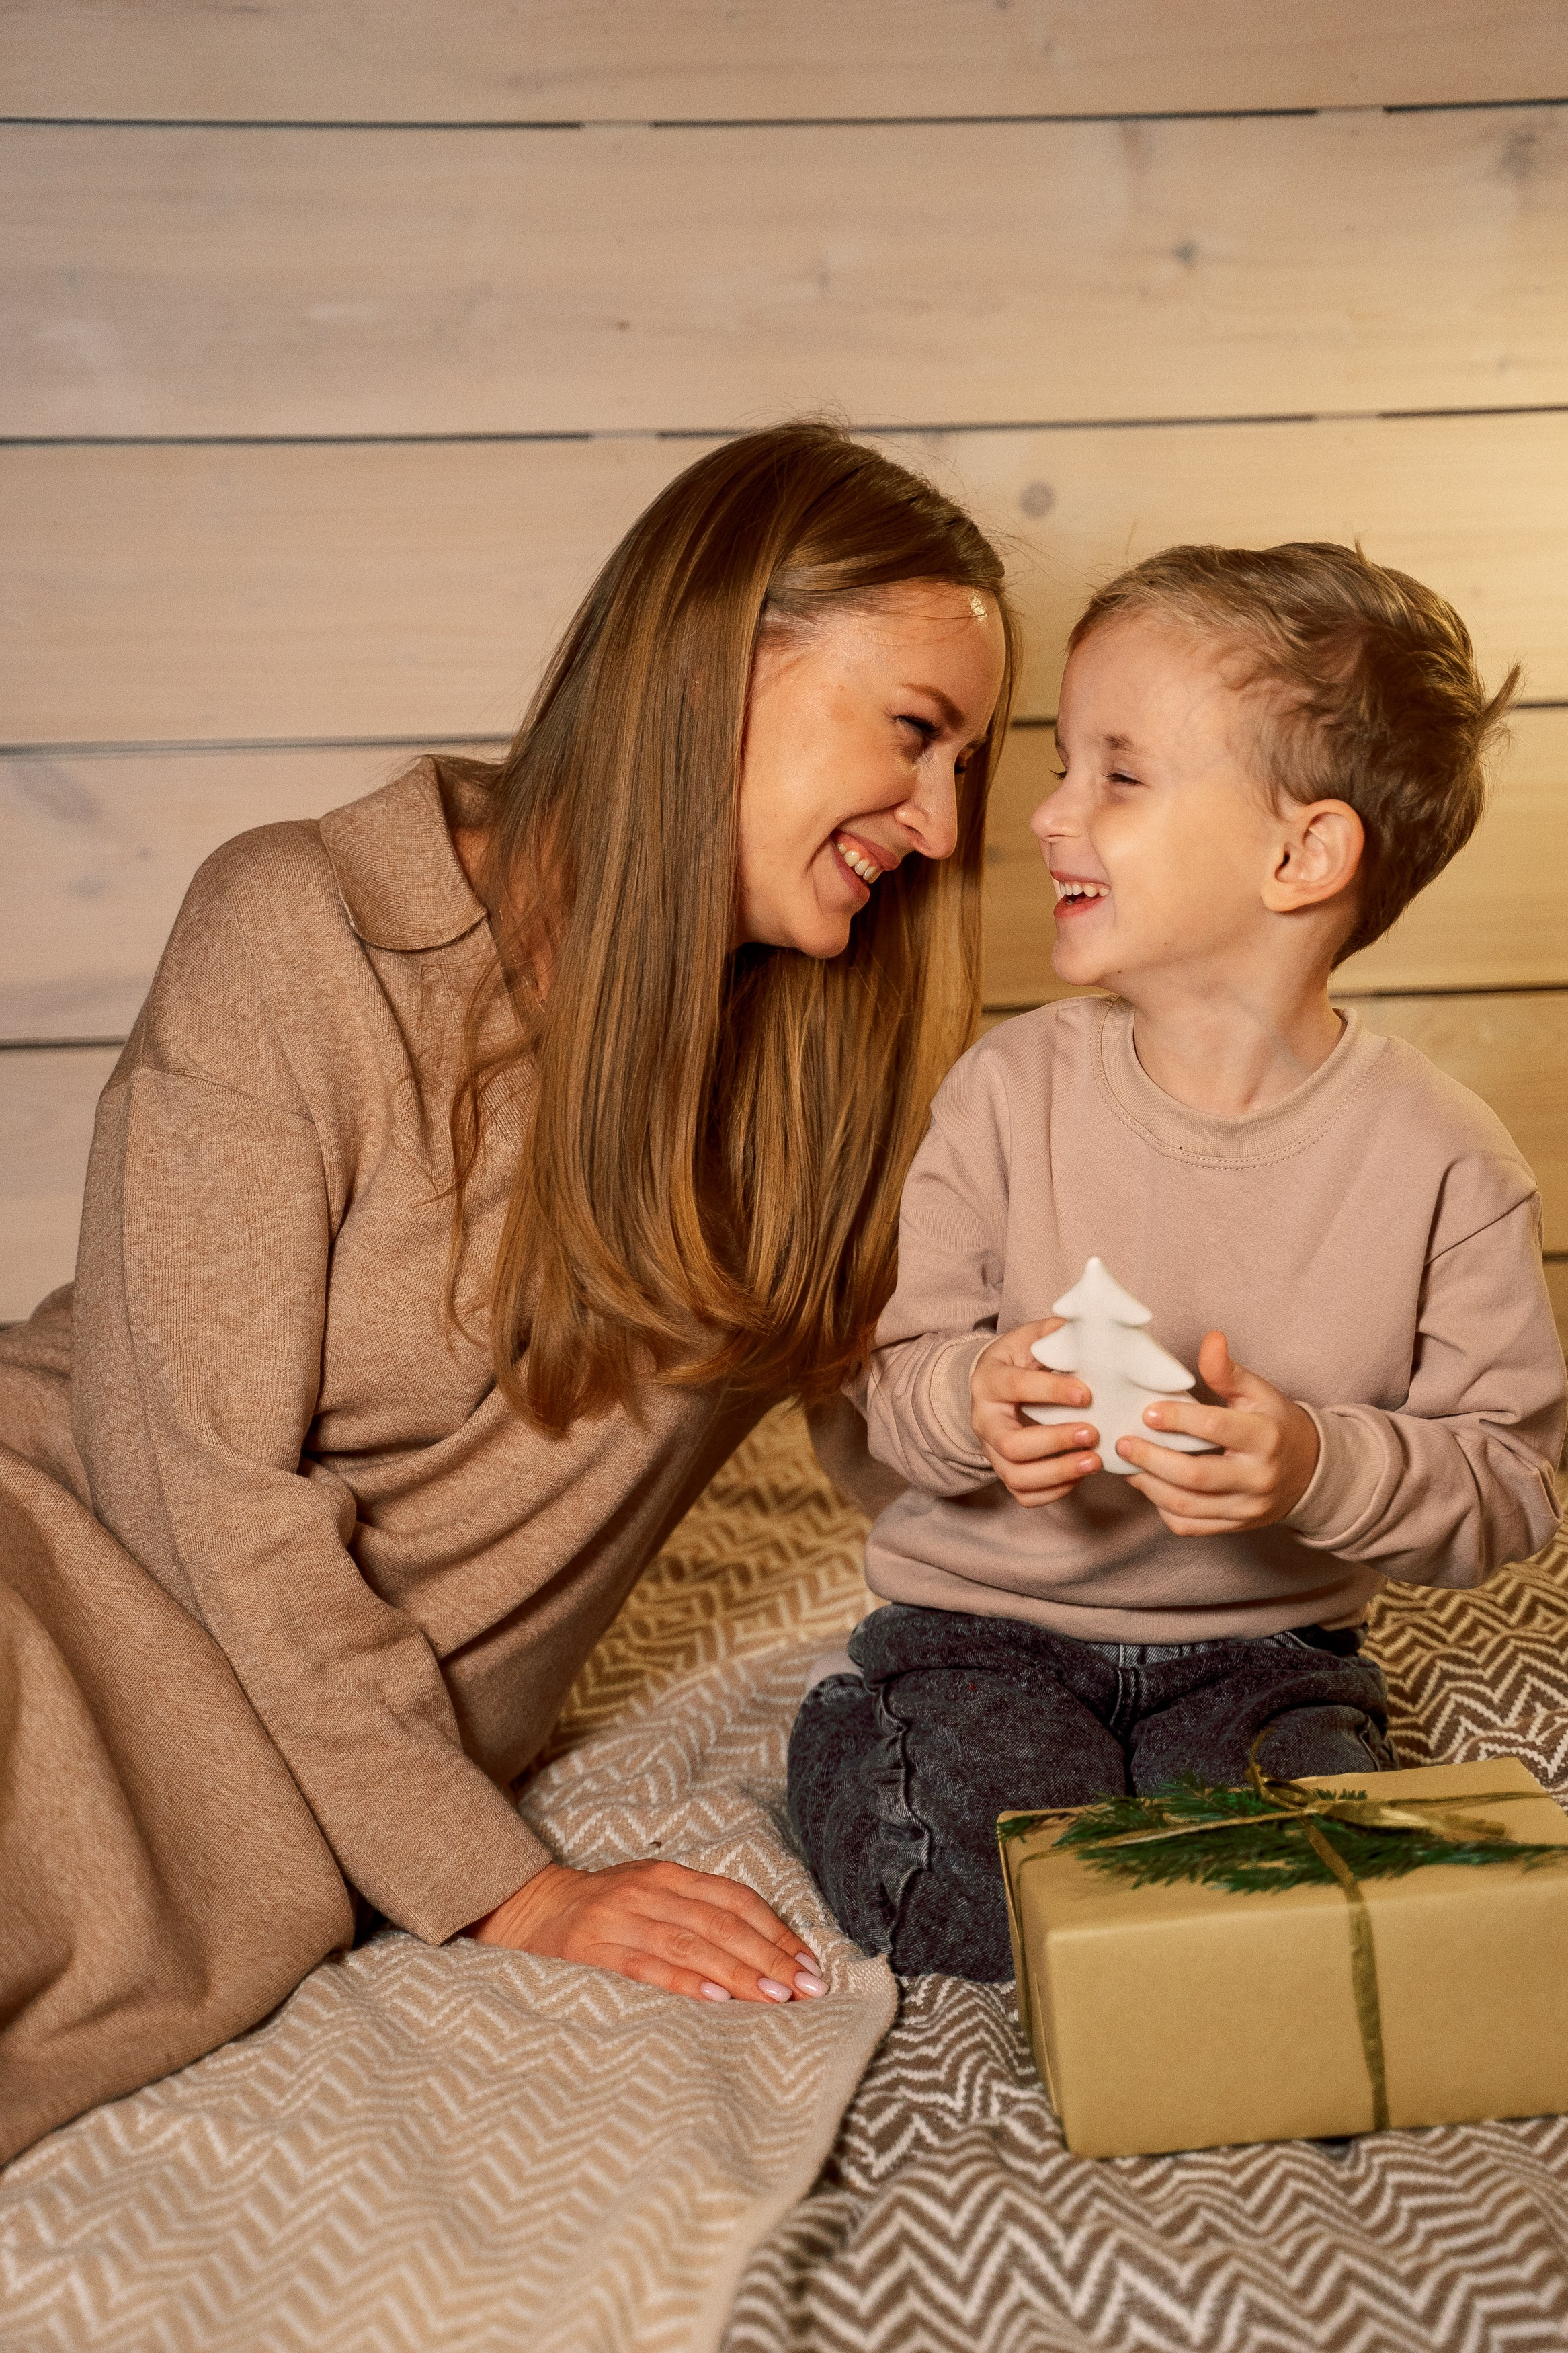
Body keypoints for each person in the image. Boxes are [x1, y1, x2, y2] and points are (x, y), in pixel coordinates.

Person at [0, 422, 1016, 2161]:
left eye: (967, 766)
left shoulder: (821, 1068)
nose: (939, 824)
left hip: (262, 1772)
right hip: (62, 1575)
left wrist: (1101, 1417)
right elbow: (199, 1490)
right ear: (719, 660)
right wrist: (505, 1886)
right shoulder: (306, 928)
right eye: (914, 731)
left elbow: (908, 1433)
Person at [788, 541, 1567, 1983]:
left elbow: (1511, 1487)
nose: (1047, 814)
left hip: (1265, 1656)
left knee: (1286, 1902)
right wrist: (972, 1398)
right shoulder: (1003, 1095)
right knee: (971, 1886)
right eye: (1062, 766)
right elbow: (881, 1390)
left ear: (1302, 856)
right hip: (986, 1634)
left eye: (1118, 775)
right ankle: (859, 1726)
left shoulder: (1447, 1161)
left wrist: (1316, 1466)